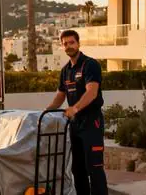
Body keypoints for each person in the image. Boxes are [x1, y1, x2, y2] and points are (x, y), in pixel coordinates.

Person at [46, 30, 107, 195]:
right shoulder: (66, 70)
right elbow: (60, 95)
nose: (68, 46)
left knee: (94, 167)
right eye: (65, 44)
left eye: (71, 42)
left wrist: (75, 108)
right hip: (75, 124)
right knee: (77, 169)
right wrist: (46, 112)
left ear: (78, 44)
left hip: (91, 122)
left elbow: (92, 92)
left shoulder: (90, 64)